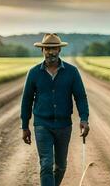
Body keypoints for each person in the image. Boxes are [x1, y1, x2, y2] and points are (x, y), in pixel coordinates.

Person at [20, 33, 90, 186]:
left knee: (61, 166)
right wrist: (25, 126)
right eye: (47, 49)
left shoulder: (72, 72)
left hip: (64, 126)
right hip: (42, 125)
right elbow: (26, 101)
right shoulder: (34, 73)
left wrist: (84, 119)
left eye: (54, 48)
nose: (50, 52)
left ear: (59, 50)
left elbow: (80, 97)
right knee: (46, 164)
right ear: (42, 50)